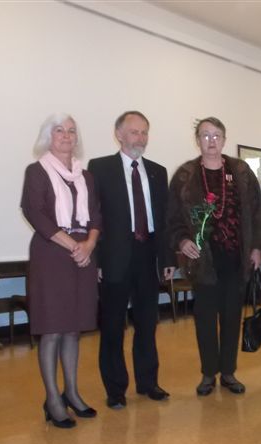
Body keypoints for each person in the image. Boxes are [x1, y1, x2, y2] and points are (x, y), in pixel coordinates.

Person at [167, 117, 261, 396]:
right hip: (203, 262)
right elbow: (173, 217)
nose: (211, 141)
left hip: (236, 259)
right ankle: (208, 373)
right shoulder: (185, 175)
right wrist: (182, 240)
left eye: (216, 135)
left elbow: (256, 212)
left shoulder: (242, 171)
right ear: (197, 140)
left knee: (231, 318)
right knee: (205, 320)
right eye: (205, 135)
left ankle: (228, 372)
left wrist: (257, 247)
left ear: (224, 139)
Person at [88, 111, 175, 408]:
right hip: (114, 257)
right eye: (134, 132)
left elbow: (164, 220)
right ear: (119, 134)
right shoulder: (100, 168)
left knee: (148, 324)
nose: (141, 138)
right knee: (113, 326)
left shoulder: (158, 172)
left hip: (148, 255)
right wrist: (97, 259)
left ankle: (148, 382)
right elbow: (93, 216)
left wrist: (167, 257)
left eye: (144, 132)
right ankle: (115, 390)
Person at [21, 113, 101, 428]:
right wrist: (73, 246)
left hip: (83, 256)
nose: (66, 136)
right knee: (52, 329)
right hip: (51, 255)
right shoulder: (37, 171)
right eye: (59, 131)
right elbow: (35, 212)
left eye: (71, 131)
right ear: (48, 137)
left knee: (72, 328)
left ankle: (72, 393)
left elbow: (96, 215)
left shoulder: (86, 176)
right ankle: (53, 399)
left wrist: (89, 245)